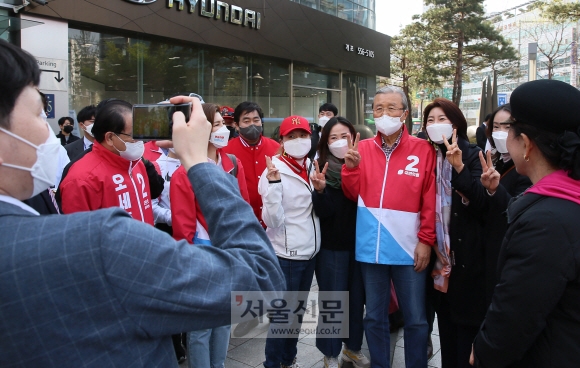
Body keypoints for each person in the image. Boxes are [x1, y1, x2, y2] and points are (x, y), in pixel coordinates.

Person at [0, 39, 285, 366]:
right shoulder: (101, 237)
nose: (50, 132)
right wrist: (199, 161)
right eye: (39, 112)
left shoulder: (135, 169)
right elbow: (261, 282)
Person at [470, 80, 580, 368]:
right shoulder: (565, 201)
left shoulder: (546, 222)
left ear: (527, 144)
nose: (504, 137)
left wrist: (482, 352)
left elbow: (516, 314)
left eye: (510, 130)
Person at [341, 85, 436, 368]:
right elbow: (351, 193)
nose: (385, 114)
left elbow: (430, 198)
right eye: (379, 108)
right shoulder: (364, 148)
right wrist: (351, 168)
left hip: (409, 248)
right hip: (372, 247)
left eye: (392, 108)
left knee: (416, 318)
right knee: (374, 316)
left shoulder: (423, 150)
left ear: (405, 113)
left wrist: (426, 240)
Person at [170, 103, 250, 368]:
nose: (222, 129)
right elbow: (182, 226)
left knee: (225, 321)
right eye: (215, 124)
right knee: (201, 327)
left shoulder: (231, 163)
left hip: (231, 251)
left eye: (222, 124)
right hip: (201, 253)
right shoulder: (184, 172)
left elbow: (244, 205)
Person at [423, 98, 486, 368]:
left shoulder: (473, 154)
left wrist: (459, 166)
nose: (435, 126)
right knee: (445, 324)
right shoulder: (425, 155)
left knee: (465, 328)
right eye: (430, 120)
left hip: (464, 255)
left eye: (442, 120)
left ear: (456, 124)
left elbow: (482, 203)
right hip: (434, 254)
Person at [259, 115, 321, 368]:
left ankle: (288, 359)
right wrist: (273, 184)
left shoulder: (311, 165)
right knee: (283, 317)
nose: (298, 141)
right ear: (282, 140)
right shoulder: (273, 170)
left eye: (303, 135)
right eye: (291, 136)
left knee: (296, 314)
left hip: (310, 253)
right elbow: (271, 220)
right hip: (286, 255)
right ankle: (273, 363)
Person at [311, 117, 369, 368]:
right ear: (325, 142)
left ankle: (352, 348)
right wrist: (321, 191)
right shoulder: (320, 168)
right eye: (333, 137)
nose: (339, 142)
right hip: (331, 248)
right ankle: (330, 352)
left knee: (357, 301)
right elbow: (322, 213)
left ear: (354, 137)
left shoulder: (365, 165)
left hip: (360, 246)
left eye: (344, 136)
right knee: (334, 301)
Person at [59, 99, 154, 225]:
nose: (140, 140)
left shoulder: (136, 163)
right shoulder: (81, 179)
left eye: (141, 133)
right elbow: (79, 236)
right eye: (133, 135)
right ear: (109, 138)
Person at [480, 104, 531, 306]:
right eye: (496, 127)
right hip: (488, 253)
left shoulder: (525, 168)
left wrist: (494, 189)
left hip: (507, 254)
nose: (501, 133)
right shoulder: (495, 161)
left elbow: (515, 209)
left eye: (507, 127)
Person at [222, 101, 280, 229]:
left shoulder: (276, 148)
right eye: (246, 121)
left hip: (273, 224)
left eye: (256, 120)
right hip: (241, 223)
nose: (252, 124)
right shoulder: (226, 151)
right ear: (236, 125)